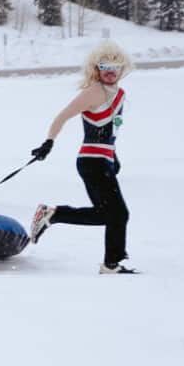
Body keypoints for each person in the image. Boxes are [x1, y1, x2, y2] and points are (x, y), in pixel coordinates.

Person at [28, 42, 135, 274]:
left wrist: (113, 157)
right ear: (96, 68)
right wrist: (49, 142)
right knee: (118, 214)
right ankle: (110, 264)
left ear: (122, 68)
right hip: (91, 162)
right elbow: (62, 117)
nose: (110, 70)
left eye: (115, 66)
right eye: (104, 65)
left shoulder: (120, 94)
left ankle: (54, 214)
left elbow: (111, 131)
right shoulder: (93, 92)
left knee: (108, 214)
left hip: (103, 161)